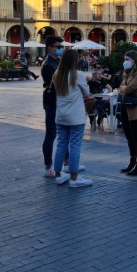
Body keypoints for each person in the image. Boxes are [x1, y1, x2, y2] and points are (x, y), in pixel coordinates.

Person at [52, 49, 92, 188]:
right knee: (75, 145)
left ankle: (58, 175)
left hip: (61, 115)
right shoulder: (78, 74)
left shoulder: (57, 74)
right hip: (75, 116)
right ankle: (74, 178)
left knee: (61, 144)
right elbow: (87, 92)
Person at [40, 35, 70, 178]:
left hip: (57, 101)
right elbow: (61, 81)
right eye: (58, 47)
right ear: (49, 48)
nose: (60, 49)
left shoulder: (56, 61)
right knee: (51, 134)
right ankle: (48, 167)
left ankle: (68, 162)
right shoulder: (48, 65)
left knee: (63, 132)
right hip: (52, 102)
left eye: (61, 47)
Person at [118, 50, 137, 176]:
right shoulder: (128, 73)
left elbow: (128, 88)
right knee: (129, 135)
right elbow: (121, 87)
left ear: (134, 60)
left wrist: (124, 89)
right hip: (126, 105)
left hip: (136, 107)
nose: (125, 62)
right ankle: (132, 160)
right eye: (124, 59)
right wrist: (124, 88)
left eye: (127, 59)